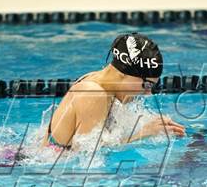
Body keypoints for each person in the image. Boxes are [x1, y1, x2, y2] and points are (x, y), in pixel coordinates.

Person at [42, 32, 186, 151]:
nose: (148, 93)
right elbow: (86, 155)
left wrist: (156, 126)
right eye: (147, 85)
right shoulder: (93, 92)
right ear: (125, 74)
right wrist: (144, 132)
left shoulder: (98, 81)